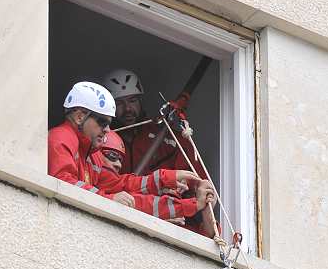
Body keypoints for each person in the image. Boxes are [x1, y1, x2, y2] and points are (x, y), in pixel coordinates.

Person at [48, 82, 215, 225]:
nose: (107, 130)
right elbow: (63, 183)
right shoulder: (61, 137)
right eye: (102, 122)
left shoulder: (91, 155)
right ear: (79, 117)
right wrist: (109, 200)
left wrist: (169, 183)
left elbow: (124, 187)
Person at [103, 68, 204, 177]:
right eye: (119, 103)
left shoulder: (172, 141)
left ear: (140, 101)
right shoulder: (101, 141)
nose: (127, 108)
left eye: (132, 101)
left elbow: (199, 184)